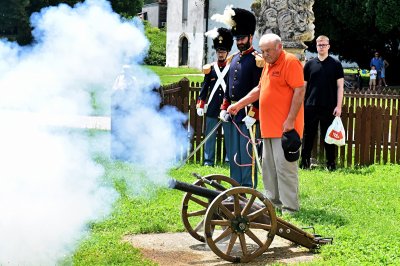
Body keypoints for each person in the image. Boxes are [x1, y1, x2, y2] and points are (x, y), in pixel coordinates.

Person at [227, 33, 305, 214]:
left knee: (285, 169)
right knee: (269, 170)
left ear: (279, 47)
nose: (265, 54)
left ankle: (290, 208)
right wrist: (239, 104)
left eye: (268, 50)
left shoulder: (290, 62)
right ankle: (273, 205)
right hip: (268, 127)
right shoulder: (268, 65)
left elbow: (299, 91)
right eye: (263, 51)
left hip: (285, 128)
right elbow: (260, 89)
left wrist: (291, 120)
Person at [212, 6, 264, 188]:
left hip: (248, 114)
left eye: (242, 38)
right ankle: (236, 188)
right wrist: (223, 108)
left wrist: (254, 114)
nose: (239, 42)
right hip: (232, 114)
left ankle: (248, 189)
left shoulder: (258, 60)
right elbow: (228, 88)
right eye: (237, 39)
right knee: (233, 154)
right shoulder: (233, 59)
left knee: (247, 155)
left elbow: (260, 89)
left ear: (251, 37)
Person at [300, 35, 344, 171]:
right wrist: (301, 104)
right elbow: (303, 87)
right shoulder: (309, 64)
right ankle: (304, 162)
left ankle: (331, 164)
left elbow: (340, 87)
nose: (322, 47)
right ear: (316, 46)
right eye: (319, 45)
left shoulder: (336, 64)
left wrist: (339, 106)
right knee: (308, 135)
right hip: (310, 105)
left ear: (328, 46)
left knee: (329, 135)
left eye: (324, 45)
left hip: (329, 106)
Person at [196, 27, 234, 166]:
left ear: (227, 52)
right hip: (212, 107)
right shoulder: (210, 69)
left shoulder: (232, 68)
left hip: (227, 107)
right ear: (216, 52)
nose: (221, 54)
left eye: (223, 51)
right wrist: (200, 104)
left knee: (229, 136)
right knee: (210, 136)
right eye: (219, 51)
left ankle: (229, 161)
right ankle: (208, 161)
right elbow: (204, 87)